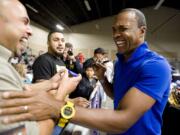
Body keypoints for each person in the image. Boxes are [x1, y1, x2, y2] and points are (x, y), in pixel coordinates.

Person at [0, 8, 172, 135]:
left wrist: (58, 106)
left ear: (142, 31)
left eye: (123, 29)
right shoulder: (121, 62)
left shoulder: (155, 66)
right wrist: (103, 80)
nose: (116, 35)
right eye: (114, 29)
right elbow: (118, 98)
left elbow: (123, 119)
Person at [0, 0, 82, 135]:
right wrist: (65, 95)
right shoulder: (42, 61)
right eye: (24, 21)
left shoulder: (61, 61)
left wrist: (51, 83)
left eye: (62, 40)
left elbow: (21, 91)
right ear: (48, 43)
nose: (30, 31)